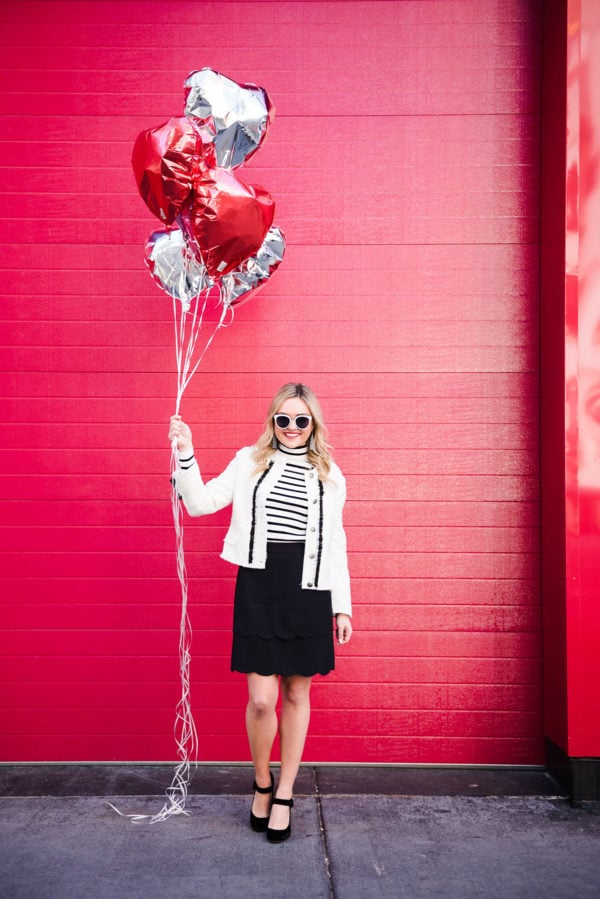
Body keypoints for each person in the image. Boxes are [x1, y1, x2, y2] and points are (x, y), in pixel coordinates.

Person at [168, 382, 352, 843]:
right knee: (261, 700)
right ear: (272, 421)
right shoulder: (249, 461)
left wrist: (342, 606)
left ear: (313, 423)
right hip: (259, 583)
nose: (291, 428)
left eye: (301, 420)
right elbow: (199, 503)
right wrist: (186, 453)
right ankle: (263, 780)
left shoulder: (330, 474)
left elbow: (337, 545)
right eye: (282, 420)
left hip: (308, 587)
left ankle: (286, 792)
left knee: (296, 695)